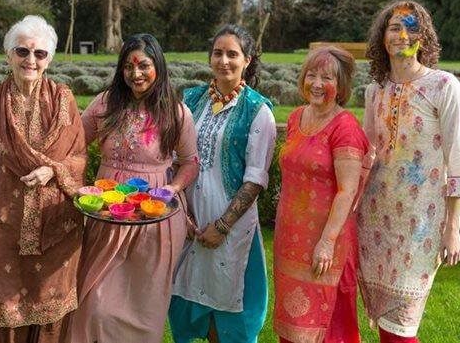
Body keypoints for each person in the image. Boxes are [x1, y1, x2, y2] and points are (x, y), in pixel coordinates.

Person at [0, 15, 87, 343]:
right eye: (22, 52)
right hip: (4, 223)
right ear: (8, 54)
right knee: (3, 300)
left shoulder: (63, 99)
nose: (30, 60)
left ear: (50, 58)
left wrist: (53, 170)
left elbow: (78, 156)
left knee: (50, 304)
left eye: (40, 54)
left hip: (57, 224)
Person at [65, 33, 199, 343]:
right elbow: (74, 145)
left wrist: (172, 188)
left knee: (144, 308)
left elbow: (190, 162)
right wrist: (75, 184)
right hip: (107, 214)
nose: (135, 74)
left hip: (156, 217)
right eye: (128, 66)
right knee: (93, 302)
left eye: (144, 66)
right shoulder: (105, 102)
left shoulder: (176, 112)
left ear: (159, 67)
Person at [358, 0, 460, 343]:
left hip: (421, 224)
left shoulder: (443, 86)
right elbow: (367, 153)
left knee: (402, 325)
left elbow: (457, 159)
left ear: (424, 37)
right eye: (394, 27)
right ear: (383, 36)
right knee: (386, 325)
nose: (402, 35)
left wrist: (453, 228)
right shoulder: (374, 91)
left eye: (411, 27)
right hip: (375, 218)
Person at [168, 24, 276, 343]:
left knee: (228, 307)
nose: (224, 61)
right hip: (191, 222)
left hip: (232, 227)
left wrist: (223, 225)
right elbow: (176, 161)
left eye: (233, 54)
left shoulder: (258, 110)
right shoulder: (191, 100)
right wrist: (183, 216)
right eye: (218, 53)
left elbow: (255, 178)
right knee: (187, 296)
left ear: (247, 60)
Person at [272, 45, 369, 343]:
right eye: (310, 75)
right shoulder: (296, 117)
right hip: (290, 240)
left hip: (327, 244)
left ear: (340, 86)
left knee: (328, 326)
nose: (316, 83)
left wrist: (326, 243)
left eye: (326, 78)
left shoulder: (345, 127)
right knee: (293, 321)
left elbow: (348, 190)